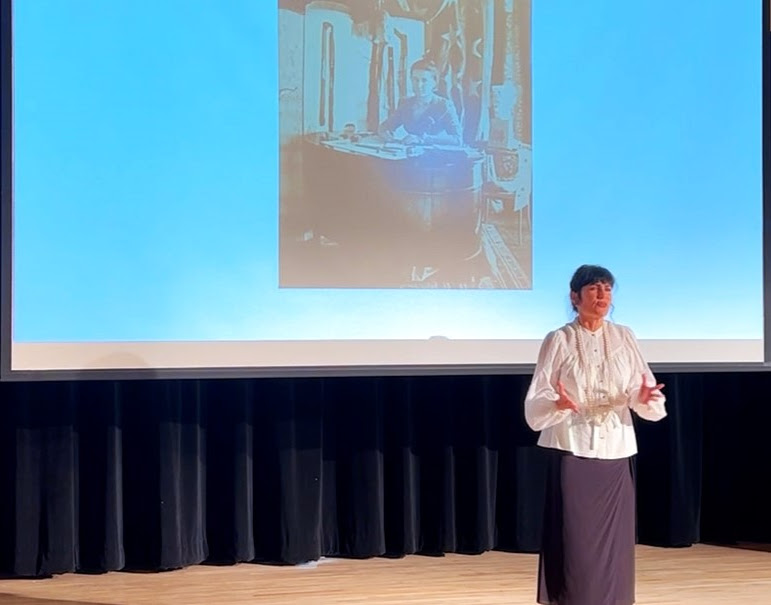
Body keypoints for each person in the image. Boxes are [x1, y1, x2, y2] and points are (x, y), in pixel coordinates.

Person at [524, 264, 667, 605]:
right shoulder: (559, 339)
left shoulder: (624, 337)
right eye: (593, 288)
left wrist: (644, 397)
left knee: (615, 544)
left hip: (616, 450)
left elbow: (643, 388)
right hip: (572, 448)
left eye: (607, 288)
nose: (602, 295)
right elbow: (536, 400)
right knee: (576, 543)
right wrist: (557, 403)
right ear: (575, 297)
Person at [378, 58, 462, 146]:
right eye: (415, 80)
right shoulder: (406, 103)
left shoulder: (444, 105)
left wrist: (422, 139)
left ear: (434, 82)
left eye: (424, 80)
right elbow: (384, 127)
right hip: (406, 151)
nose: (419, 85)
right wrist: (386, 134)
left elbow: (457, 139)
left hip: (434, 152)